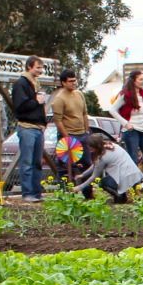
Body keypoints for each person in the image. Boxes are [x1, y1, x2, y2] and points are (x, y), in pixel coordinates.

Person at [49, 68, 93, 198]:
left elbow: (84, 113)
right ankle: (66, 195)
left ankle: (88, 194)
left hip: (82, 135)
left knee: (87, 164)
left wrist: (86, 131)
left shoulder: (79, 94)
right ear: (63, 83)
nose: (74, 83)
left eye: (75, 80)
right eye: (70, 81)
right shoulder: (59, 99)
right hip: (68, 136)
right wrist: (66, 137)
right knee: (65, 167)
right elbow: (58, 121)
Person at [11, 55, 48, 202]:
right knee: (27, 162)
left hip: (38, 128)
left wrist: (43, 124)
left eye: (41, 67)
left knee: (37, 162)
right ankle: (27, 193)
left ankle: (37, 193)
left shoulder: (36, 84)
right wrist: (36, 101)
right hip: (27, 127)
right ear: (29, 67)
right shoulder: (21, 84)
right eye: (37, 67)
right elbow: (20, 106)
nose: (40, 70)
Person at [71, 133, 143, 204]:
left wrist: (79, 187)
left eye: (91, 149)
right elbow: (96, 165)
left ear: (96, 147)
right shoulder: (112, 146)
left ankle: (120, 197)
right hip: (133, 173)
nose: (90, 151)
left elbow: (94, 176)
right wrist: (83, 175)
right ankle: (123, 193)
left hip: (125, 177)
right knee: (109, 179)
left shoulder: (103, 157)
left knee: (102, 182)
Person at [109, 71, 143, 179]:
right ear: (133, 80)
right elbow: (113, 110)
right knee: (133, 160)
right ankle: (134, 188)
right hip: (131, 131)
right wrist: (126, 123)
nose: (142, 82)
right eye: (140, 79)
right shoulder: (125, 94)